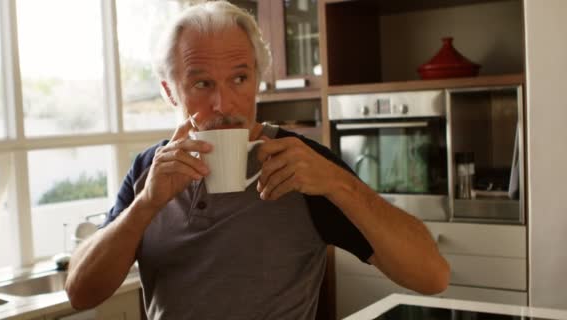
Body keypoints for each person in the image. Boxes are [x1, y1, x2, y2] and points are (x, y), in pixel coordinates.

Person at [65, 1, 450, 319]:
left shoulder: (300, 163)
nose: (224, 104)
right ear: (169, 91)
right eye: (202, 84)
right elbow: (81, 293)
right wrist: (146, 205)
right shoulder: (149, 170)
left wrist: (339, 183)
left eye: (239, 79)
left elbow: (432, 275)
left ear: (257, 79)